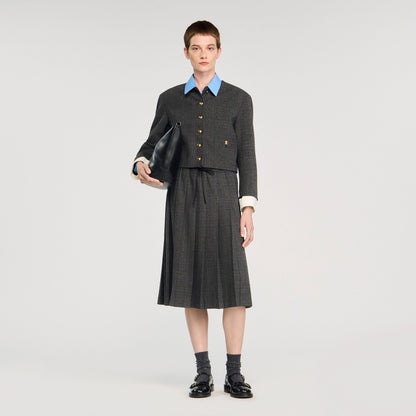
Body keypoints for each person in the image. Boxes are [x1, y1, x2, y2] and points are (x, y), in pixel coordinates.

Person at [131, 20, 258, 399]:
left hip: (223, 191)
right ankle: (203, 373)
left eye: (210, 47)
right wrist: (140, 163)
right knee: (192, 285)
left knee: (234, 287)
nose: (203, 55)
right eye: (196, 48)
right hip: (183, 193)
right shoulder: (170, 98)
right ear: (186, 52)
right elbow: (151, 143)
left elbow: (248, 156)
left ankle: (234, 373)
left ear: (219, 51)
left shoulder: (239, 99)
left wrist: (247, 206)